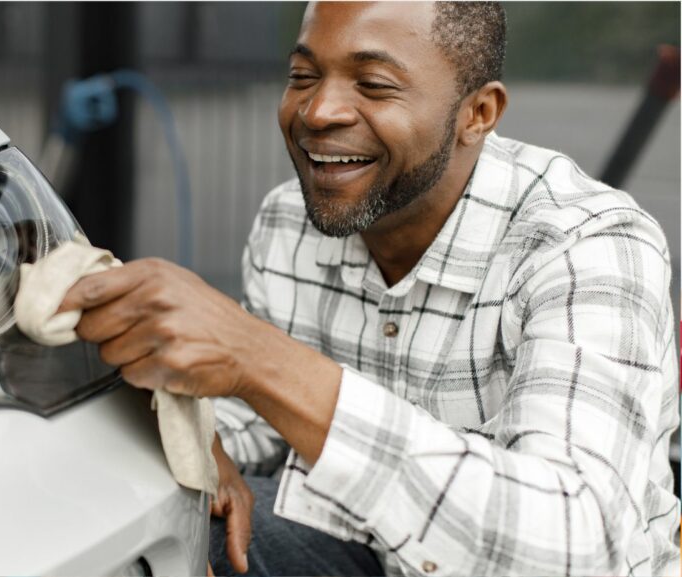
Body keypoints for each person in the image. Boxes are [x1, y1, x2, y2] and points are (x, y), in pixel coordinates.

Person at [58, 2, 681, 575]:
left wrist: (257, 357)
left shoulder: (589, 245)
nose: (317, 112)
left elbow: (575, 546)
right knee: (182, 526)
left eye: (374, 84)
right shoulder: (287, 222)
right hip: (360, 548)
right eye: (302, 76)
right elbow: (261, 433)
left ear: (478, 113)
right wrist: (198, 437)